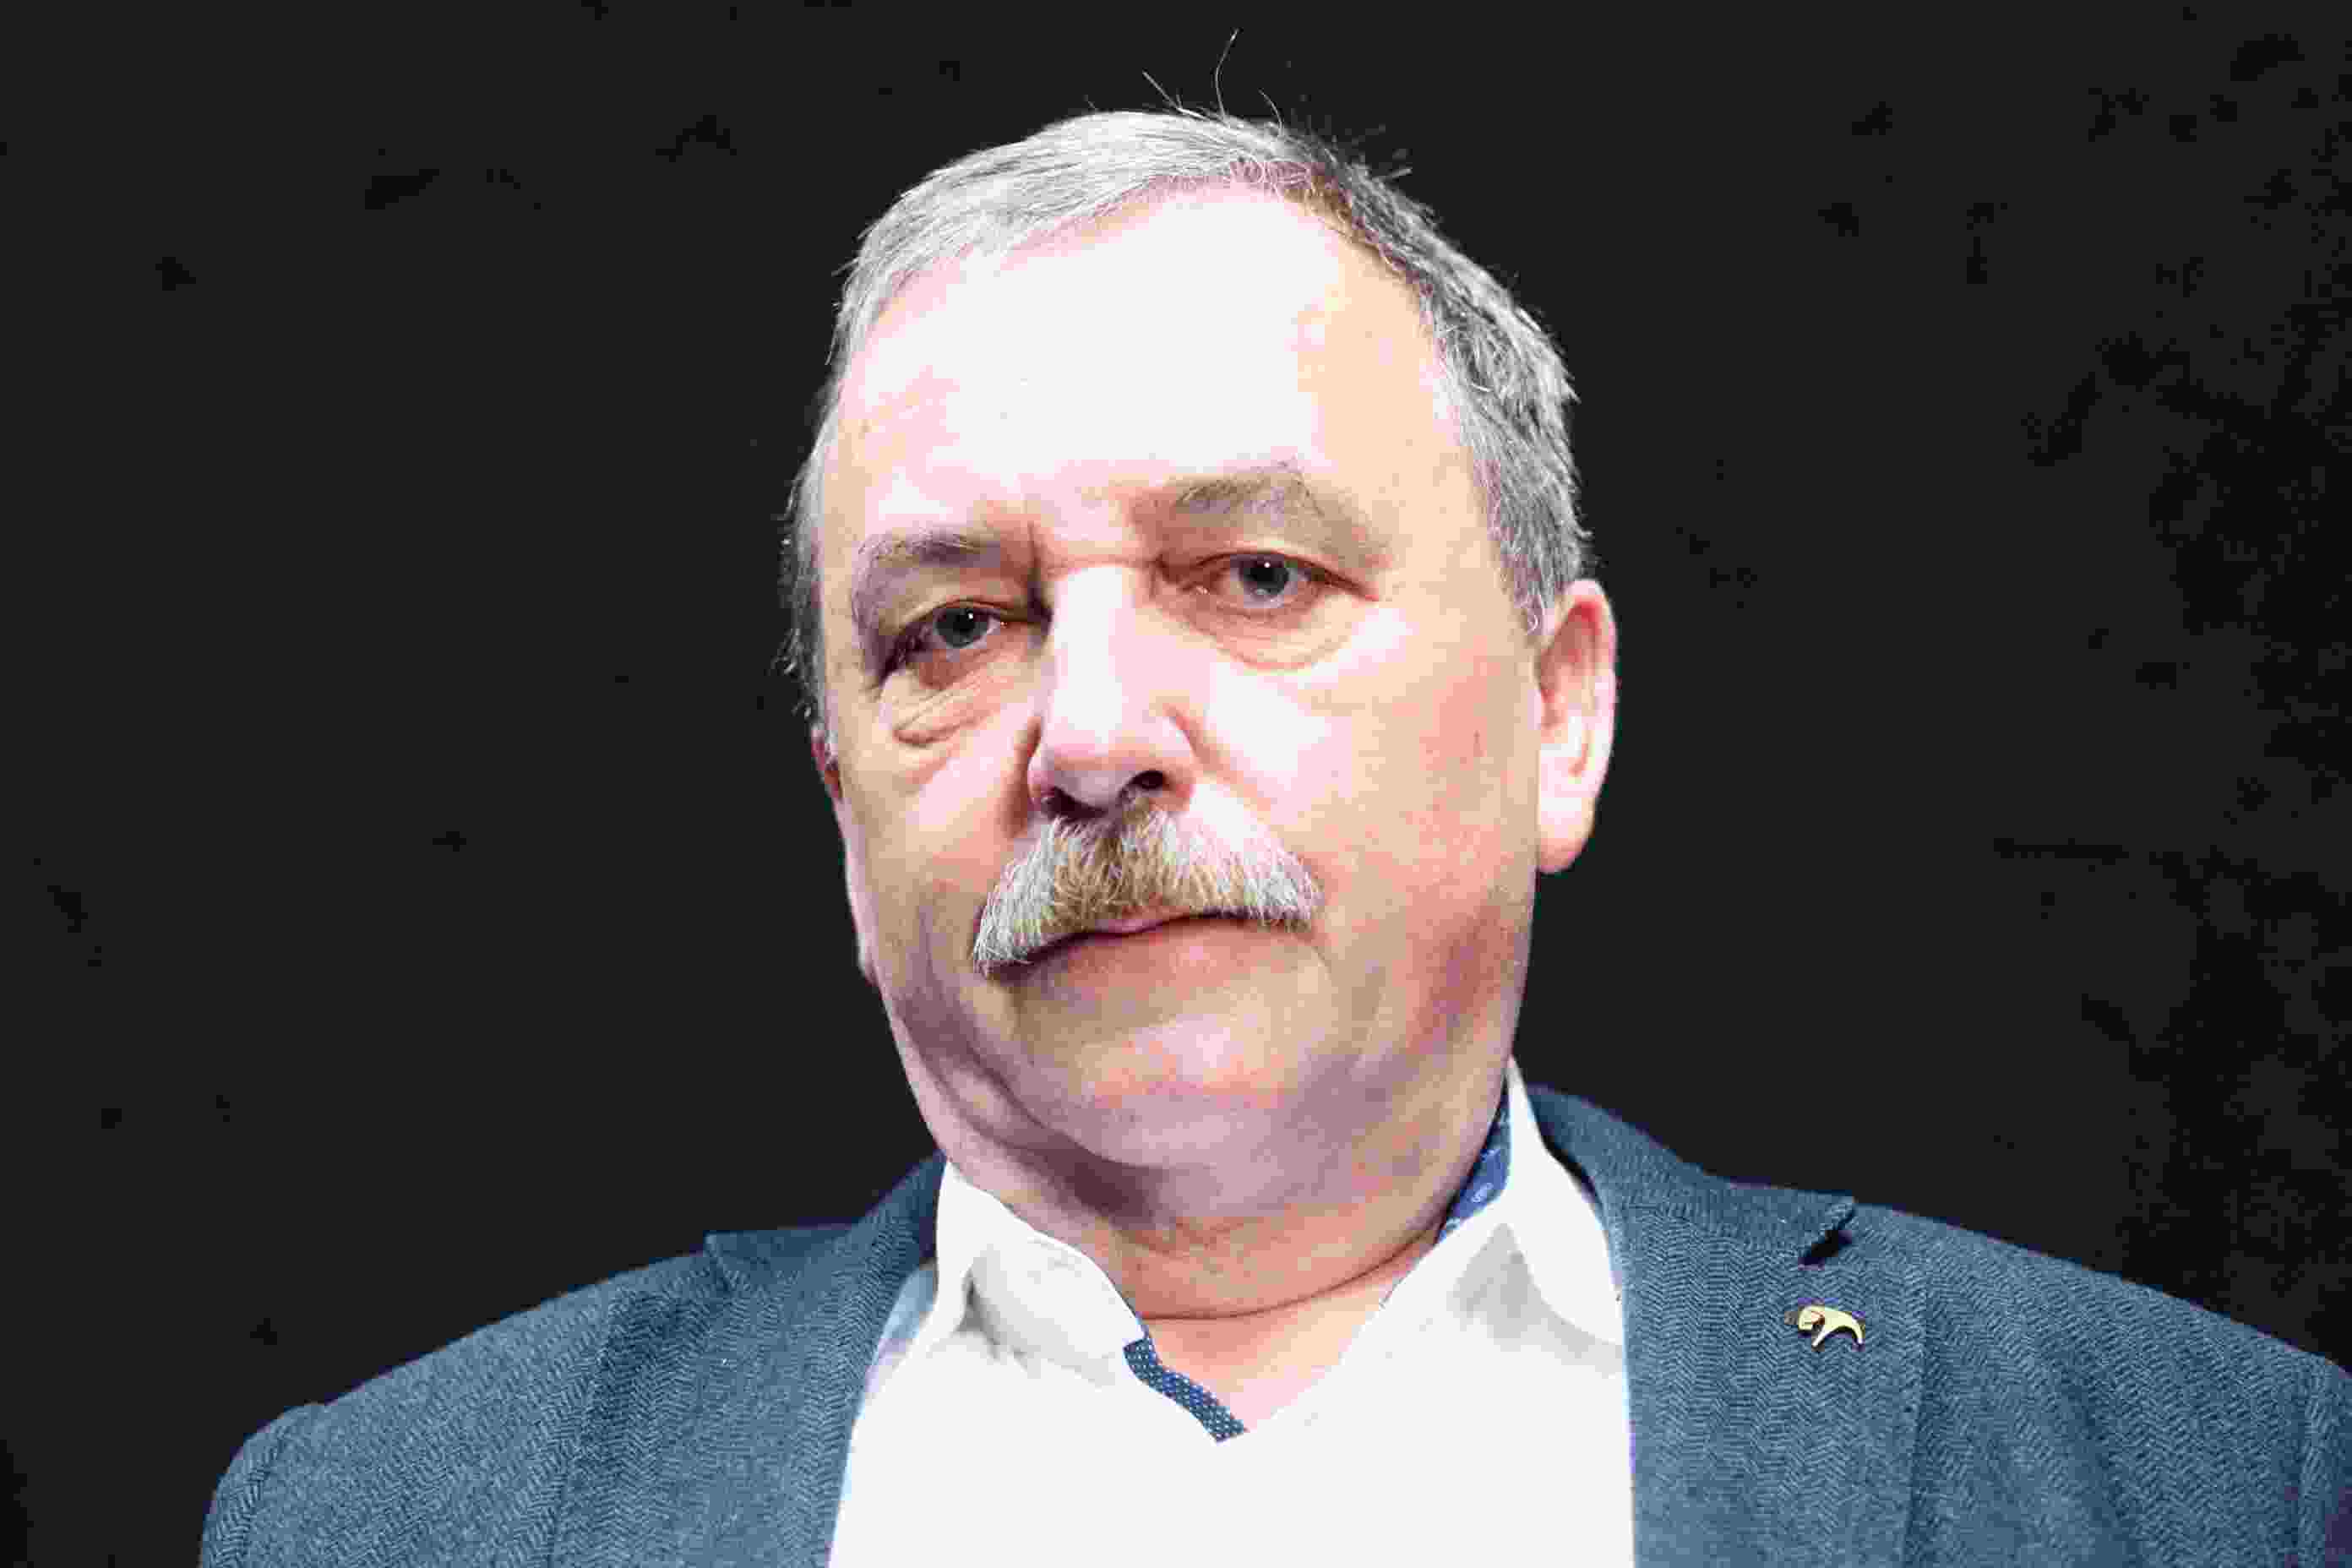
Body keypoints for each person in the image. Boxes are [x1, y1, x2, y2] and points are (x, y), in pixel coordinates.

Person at [204, 105, 2347, 1567]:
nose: (1091, 736)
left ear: (1558, 714)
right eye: (958, 626)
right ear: (846, 806)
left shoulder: (2222, 1479)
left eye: (1252, 576)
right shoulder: (391, 1521)